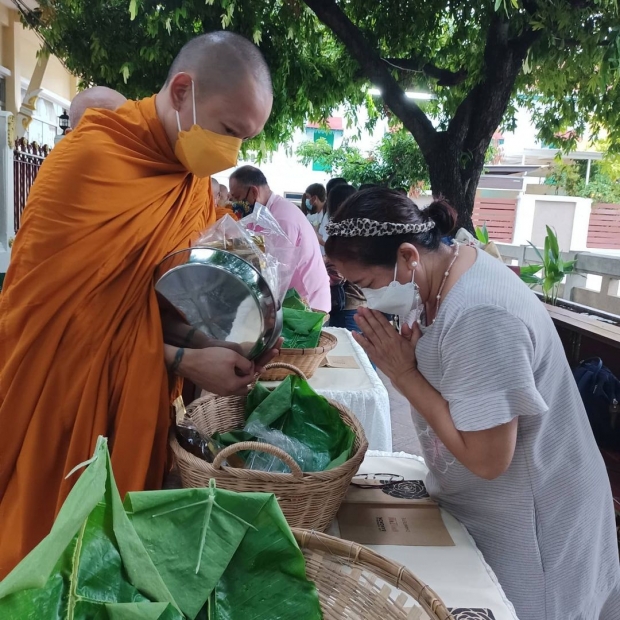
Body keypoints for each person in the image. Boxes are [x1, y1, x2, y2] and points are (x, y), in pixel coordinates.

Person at [0, 31, 277, 579]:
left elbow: (175, 303)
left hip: (134, 407)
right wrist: (181, 361)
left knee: (111, 568)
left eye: (244, 141)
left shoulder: (194, 187)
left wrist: (237, 333)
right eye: (228, 131)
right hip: (55, 408)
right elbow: (58, 324)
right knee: (46, 567)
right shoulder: (89, 159)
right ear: (181, 91)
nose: (231, 153)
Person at [324, 188, 620, 620]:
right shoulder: (436, 276)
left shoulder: (479, 314)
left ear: (408, 255)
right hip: (489, 505)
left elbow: (488, 459)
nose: (364, 298)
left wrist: (404, 375)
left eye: (366, 284)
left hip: (538, 520)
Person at [229, 165, 330, 312]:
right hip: (291, 300)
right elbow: (250, 242)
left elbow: (277, 271)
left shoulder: (282, 218)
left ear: (254, 191)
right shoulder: (264, 214)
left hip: (307, 304)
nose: (234, 204)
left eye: (238, 198)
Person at [322, 183, 364, 331]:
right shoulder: (361, 228)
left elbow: (338, 275)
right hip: (360, 301)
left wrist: (321, 267)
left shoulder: (343, 233)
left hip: (346, 304)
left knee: (347, 352)